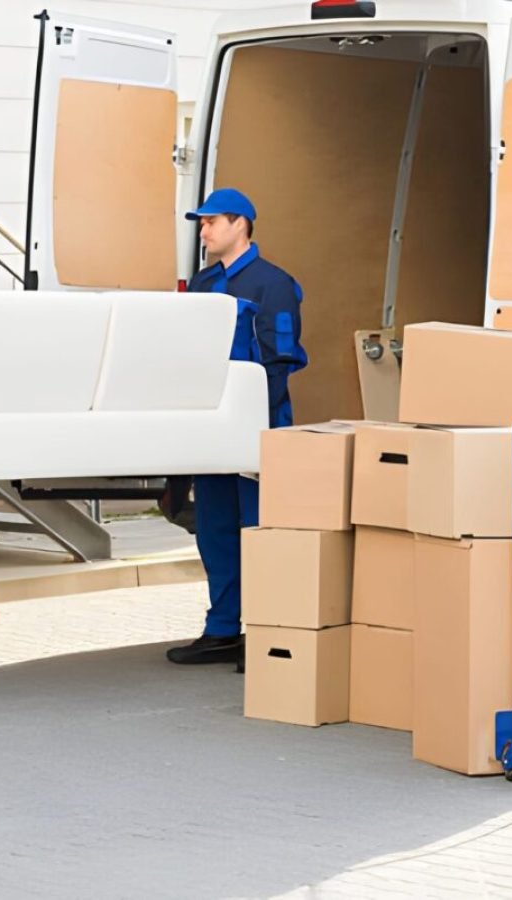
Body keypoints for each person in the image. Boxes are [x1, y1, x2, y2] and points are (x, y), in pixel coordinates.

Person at [166, 188, 307, 667]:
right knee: (215, 531)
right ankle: (222, 629)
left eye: (210, 222)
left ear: (240, 224)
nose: (202, 231)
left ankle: (266, 633)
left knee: (257, 531)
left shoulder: (274, 284)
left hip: (256, 430)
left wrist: (253, 426)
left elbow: (280, 361)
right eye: (200, 223)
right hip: (211, 432)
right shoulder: (203, 284)